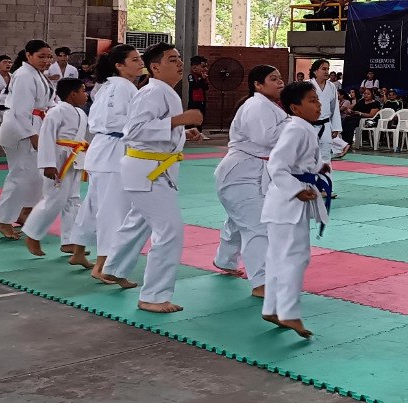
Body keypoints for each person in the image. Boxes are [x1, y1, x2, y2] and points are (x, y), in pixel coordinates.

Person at [99, 43, 204, 312]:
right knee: (169, 230)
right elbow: (134, 131)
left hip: (152, 169)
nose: (180, 63)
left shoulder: (164, 91)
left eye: (180, 58)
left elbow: (157, 129)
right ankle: (153, 297)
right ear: (155, 67)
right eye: (172, 59)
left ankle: (113, 267)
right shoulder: (152, 92)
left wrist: (182, 133)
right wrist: (179, 120)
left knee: (138, 223)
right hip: (147, 171)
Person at [261, 80, 330, 339]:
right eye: (312, 100)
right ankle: (288, 312)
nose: (318, 104)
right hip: (288, 203)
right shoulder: (297, 130)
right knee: (295, 257)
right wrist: (296, 189)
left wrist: (317, 167)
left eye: (318, 100)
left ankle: (272, 308)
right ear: (295, 107)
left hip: (285, 204)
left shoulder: (302, 128)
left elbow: (298, 162)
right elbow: (277, 164)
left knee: (280, 256)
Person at [212, 65, 287, 296]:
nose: (280, 82)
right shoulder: (256, 105)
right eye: (273, 79)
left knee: (239, 220)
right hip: (240, 172)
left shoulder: (270, 106)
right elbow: (265, 137)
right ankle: (261, 282)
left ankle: (225, 259)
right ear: (258, 84)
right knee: (257, 225)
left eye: (280, 78)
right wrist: (295, 125)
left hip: (252, 170)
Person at [81, 45, 143, 285]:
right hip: (112, 152)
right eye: (134, 60)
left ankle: (101, 261)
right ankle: (103, 266)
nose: (140, 63)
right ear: (120, 65)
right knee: (114, 212)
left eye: (140, 59)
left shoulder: (110, 85)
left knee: (105, 209)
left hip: (105, 151)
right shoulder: (122, 87)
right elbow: (119, 122)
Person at [21, 78, 89, 263]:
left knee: (73, 201)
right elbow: (46, 137)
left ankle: (69, 240)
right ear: (73, 93)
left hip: (74, 158)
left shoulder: (81, 113)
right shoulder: (56, 112)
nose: (86, 94)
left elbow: (79, 139)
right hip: (58, 159)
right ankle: (32, 235)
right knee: (54, 199)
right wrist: (47, 163)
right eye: (83, 90)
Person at [0, 40, 55, 239]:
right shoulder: (24, 75)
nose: (46, 61)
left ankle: (24, 212)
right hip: (20, 130)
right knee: (20, 176)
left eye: (49, 56)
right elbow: (19, 111)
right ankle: (2, 219)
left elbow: (47, 103)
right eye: (41, 56)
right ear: (28, 55)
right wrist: (32, 134)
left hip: (35, 125)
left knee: (36, 176)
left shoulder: (36, 75)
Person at [308, 59, 342, 165]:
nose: (327, 71)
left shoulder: (331, 87)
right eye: (323, 69)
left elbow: (334, 107)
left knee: (326, 155)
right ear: (315, 71)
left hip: (326, 124)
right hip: (309, 125)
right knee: (308, 154)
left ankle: (325, 180)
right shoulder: (306, 86)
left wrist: (336, 127)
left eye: (328, 69)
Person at [187, 56, 209, 138]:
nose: (205, 69)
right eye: (203, 66)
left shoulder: (202, 77)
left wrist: (204, 80)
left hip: (202, 100)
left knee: (201, 116)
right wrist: (201, 79)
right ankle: (189, 132)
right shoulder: (191, 76)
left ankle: (200, 132)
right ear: (194, 68)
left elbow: (206, 88)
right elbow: (195, 86)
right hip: (194, 101)